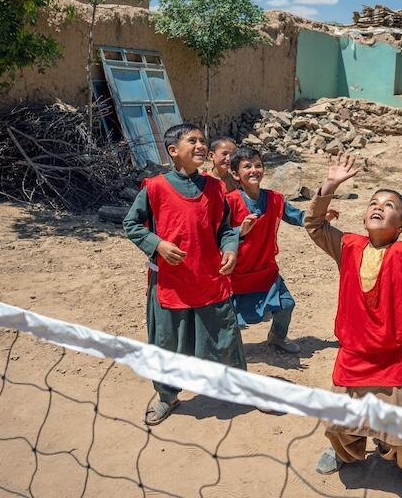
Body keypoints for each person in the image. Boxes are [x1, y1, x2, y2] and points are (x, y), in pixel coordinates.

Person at [305, 149, 402, 493]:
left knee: (399, 432)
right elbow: (313, 224)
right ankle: (349, 454)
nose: (378, 206)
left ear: (401, 226)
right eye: (374, 202)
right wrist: (329, 186)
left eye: (388, 206)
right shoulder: (348, 246)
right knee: (338, 424)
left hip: (392, 355)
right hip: (353, 353)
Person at [123, 123, 245, 426]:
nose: (201, 145)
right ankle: (167, 397)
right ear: (173, 151)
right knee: (167, 342)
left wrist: (230, 248)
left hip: (209, 280)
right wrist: (158, 244)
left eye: (203, 140)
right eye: (192, 141)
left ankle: (239, 387)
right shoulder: (154, 187)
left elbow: (226, 229)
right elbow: (131, 225)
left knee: (223, 336)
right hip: (170, 283)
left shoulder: (217, 188)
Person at [226, 145, 321, 354]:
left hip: (265, 269)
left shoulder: (275, 199)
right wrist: (238, 231)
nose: (254, 170)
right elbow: (220, 233)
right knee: (229, 315)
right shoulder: (230, 202)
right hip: (236, 272)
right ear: (235, 174)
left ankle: (277, 337)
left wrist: (320, 216)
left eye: (258, 165)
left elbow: (298, 216)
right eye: (247, 166)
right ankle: (227, 348)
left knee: (286, 304)